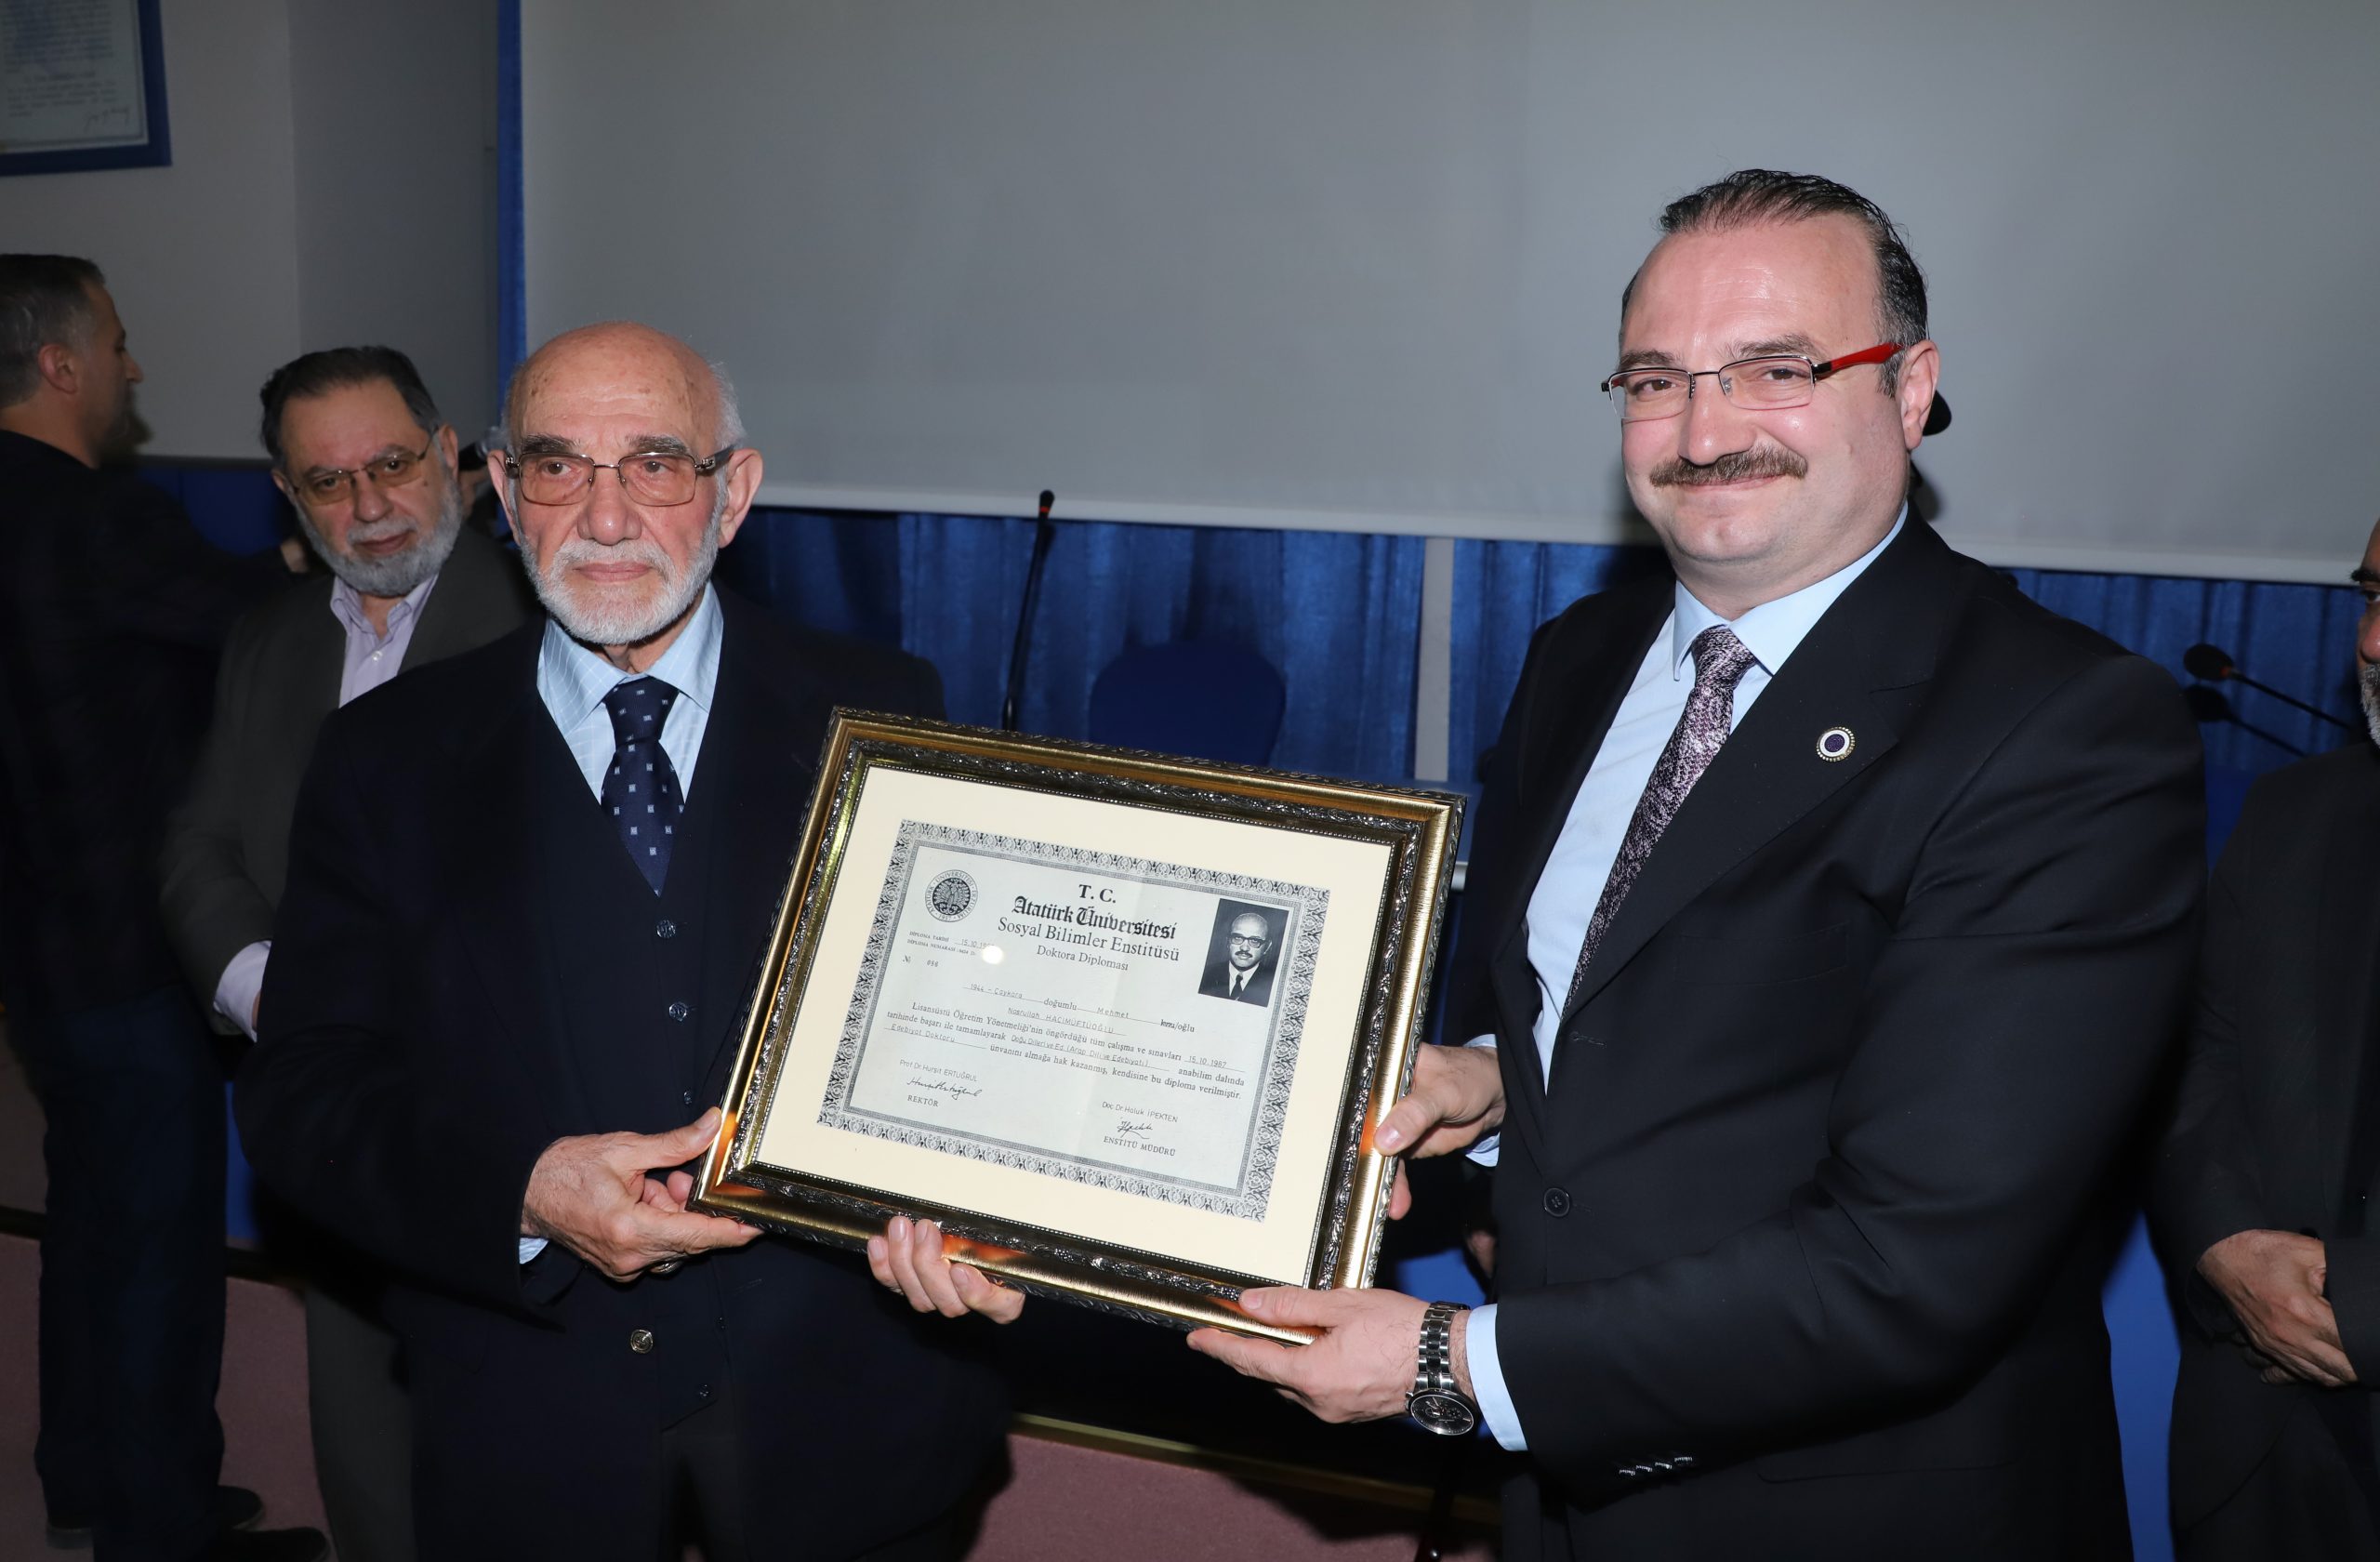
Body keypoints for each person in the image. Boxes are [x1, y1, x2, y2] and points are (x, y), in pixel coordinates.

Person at [887, 170, 2210, 1556]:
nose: (1705, 431)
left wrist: (1451, 1366)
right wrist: (1484, 1086)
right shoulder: (1582, 661)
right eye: (1657, 380)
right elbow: (1650, 1018)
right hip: (1565, 1502)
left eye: (1776, 370)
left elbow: (1914, 1264)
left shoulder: (2060, 729)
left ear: (1912, 386)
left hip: (1865, 1509)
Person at [234, 322, 1006, 1560]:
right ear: (501, 490)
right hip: (532, 1414)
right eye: (556, 467)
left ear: (732, 494)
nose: (603, 518)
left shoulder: (887, 710)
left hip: (840, 1399)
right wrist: (522, 1191)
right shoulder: (387, 756)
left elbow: (970, 1032)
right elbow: (304, 1096)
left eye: (654, 464)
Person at [159, 346, 536, 1562]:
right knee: (363, 1424)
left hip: (501, 1114)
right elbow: (198, 846)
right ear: (287, 492)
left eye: (392, 465)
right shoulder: (266, 638)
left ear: (452, 458)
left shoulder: (550, 619)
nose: (370, 505)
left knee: (516, 1441)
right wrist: (275, 994)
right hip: (321, 1101)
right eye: (328, 482)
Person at [0, 255, 322, 1561]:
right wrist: (325, 544)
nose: (131, 368)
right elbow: (246, 618)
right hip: (133, 948)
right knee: (156, 1250)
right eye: (116, 342)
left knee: (88, 1224)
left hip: (34, 946)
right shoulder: (101, 519)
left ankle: (83, 1474)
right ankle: (163, 1529)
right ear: (61, 362)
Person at [2147, 516, 2380, 1558]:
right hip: (2263, 1444)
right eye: (2372, 597)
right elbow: (2192, 1059)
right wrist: (2228, 1247)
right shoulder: (2296, 813)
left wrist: (2358, 1309)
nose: (2372, 642)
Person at [1197, 907, 1278, 1003]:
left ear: (1267, 947)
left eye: (1254, 940)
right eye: (1237, 938)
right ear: (1228, 942)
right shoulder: (1204, 975)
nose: (1244, 948)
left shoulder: (1275, 983)